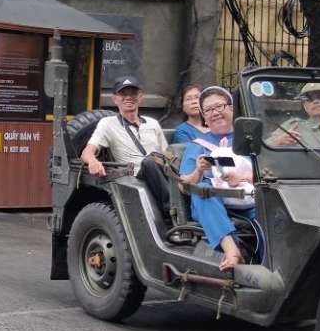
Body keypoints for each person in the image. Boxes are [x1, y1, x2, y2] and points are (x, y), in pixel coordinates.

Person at [178, 86, 255, 271]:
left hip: (249, 201)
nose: (214, 113)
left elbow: (269, 173)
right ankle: (232, 250)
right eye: (208, 110)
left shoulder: (248, 140)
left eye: (219, 107)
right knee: (203, 190)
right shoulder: (197, 146)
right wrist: (198, 170)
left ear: (231, 108)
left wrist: (243, 177)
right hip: (214, 206)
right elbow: (184, 186)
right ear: (204, 117)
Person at [81, 75, 172, 216]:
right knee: (148, 162)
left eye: (133, 93)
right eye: (123, 93)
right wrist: (93, 161)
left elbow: (167, 154)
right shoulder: (108, 123)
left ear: (140, 97)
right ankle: (171, 210)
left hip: (161, 170)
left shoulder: (153, 123)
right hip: (135, 176)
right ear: (115, 99)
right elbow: (87, 152)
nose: (129, 97)